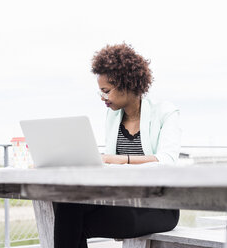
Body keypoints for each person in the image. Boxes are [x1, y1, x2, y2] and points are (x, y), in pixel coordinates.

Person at [53, 43, 181, 248]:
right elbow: (109, 168)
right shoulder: (113, 116)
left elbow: (167, 161)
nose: (102, 98)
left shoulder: (166, 112)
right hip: (123, 201)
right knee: (67, 206)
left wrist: (119, 160)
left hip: (159, 207)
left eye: (106, 91)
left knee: (70, 223)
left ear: (126, 83)